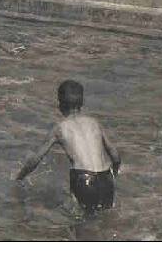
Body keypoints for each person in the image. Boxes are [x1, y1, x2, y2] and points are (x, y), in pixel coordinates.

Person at [16, 80, 121, 215]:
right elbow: (115, 155)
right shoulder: (94, 123)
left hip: (84, 180)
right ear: (82, 103)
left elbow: (35, 159)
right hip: (106, 179)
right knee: (104, 220)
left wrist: (19, 178)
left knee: (82, 227)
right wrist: (114, 173)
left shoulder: (60, 128)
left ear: (59, 104)